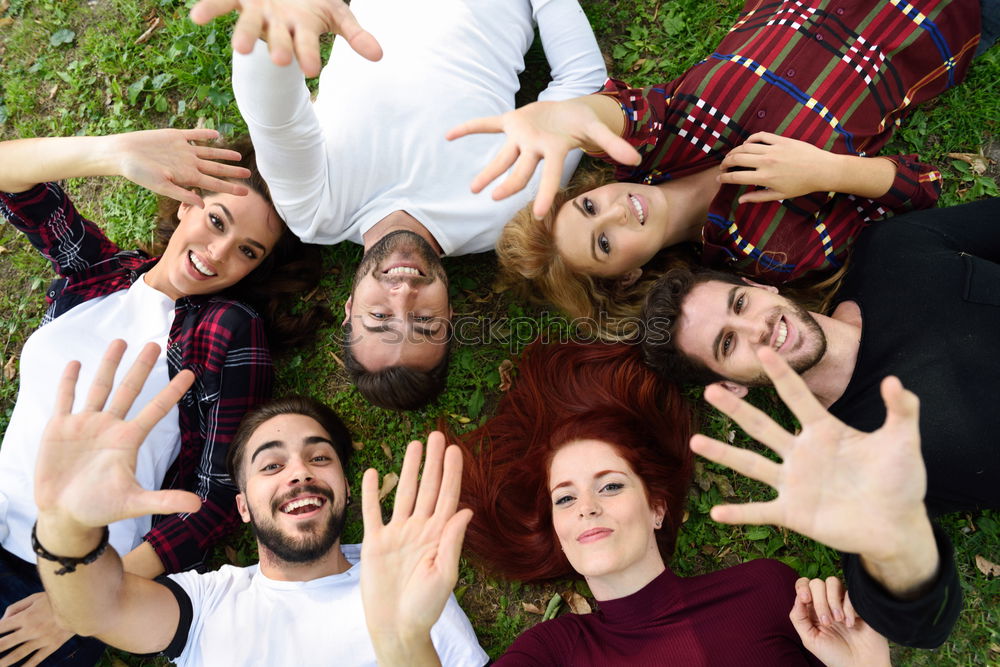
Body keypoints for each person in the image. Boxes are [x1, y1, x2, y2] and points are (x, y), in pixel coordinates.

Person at [360, 340, 962, 665]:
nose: (587, 507)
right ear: (556, 531)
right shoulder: (554, 653)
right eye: (565, 498)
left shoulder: (767, 593)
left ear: (658, 508)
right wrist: (404, 638)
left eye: (610, 484)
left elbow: (921, 621)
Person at [447, 0, 996, 338]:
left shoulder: (650, 148)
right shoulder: (770, 253)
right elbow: (922, 187)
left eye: (590, 206)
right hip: (942, 19)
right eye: (605, 245)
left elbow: (614, 113)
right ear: (630, 277)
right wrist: (828, 170)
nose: (614, 212)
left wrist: (567, 113)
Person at [0, 128, 325, 665]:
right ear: (185, 204)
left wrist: (78, 600)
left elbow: (216, 501)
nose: (218, 253)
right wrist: (112, 153)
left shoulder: (227, 329)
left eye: (246, 250)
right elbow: (13, 180)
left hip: (54, 578)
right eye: (216, 220)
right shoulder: (99, 274)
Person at [188, 0, 608, 409]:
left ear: (350, 309)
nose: (404, 295)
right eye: (423, 323)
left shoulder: (315, 212)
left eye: (380, 318)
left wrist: (274, 33)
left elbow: (276, 122)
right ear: (450, 313)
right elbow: (581, 86)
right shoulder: (506, 213)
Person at [30, 346, 487, 666]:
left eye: (320, 457)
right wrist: (65, 526)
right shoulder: (209, 603)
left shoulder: (409, 584)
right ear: (243, 507)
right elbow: (97, 608)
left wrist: (402, 644)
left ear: (344, 488)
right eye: (271, 465)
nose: (299, 472)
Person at [640, 197, 1000, 516]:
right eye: (728, 343)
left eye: (740, 303)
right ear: (730, 386)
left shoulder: (893, 249)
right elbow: (900, 576)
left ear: (760, 286)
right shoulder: (848, 468)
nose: (757, 328)